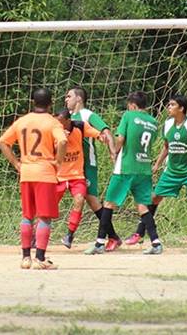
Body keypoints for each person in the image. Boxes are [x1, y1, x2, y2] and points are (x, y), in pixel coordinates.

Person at [126, 94, 187, 245]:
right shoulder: (167, 125)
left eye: (172, 105)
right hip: (171, 172)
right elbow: (166, 147)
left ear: (181, 108)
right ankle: (139, 233)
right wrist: (157, 164)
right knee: (153, 198)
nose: (168, 107)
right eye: (169, 104)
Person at [84, 91, 163, 255]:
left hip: (125, 167)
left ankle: (99, 243)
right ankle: (156, 243)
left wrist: (114, 151)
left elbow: (120, 139)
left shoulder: (129, 116)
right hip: (144, 168)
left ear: (132, 105)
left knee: (108, 203)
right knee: (142, 205)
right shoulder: (154, 122)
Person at [0, 88, 67, 270]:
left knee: (27, 216)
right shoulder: (52, 122)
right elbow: (62, 142)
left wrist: (16, 163)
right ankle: (40, 258)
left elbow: (3, 142)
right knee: (44, 217)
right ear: (50, 103)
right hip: (45, 173)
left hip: (26, 173)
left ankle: (25, 258)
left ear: (33, 102)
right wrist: (58, 161)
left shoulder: (22, 121)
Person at [65, 87, 122, 251]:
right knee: (90, 201)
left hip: (87, 164)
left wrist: (113, 153)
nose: (66, 99)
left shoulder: (87, 115)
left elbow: (106, 132)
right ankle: (113, 236)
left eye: (69, 96)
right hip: (70, 165)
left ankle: (112, 236)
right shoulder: (67, 117)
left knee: (91, 199)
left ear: (79, 99)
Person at [54, 109, 114, 248]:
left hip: (77, 175)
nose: (58, 125)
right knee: (48, 206)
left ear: (68, 121)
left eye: (61, 123)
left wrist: (101, 137)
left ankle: (69, 235)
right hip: (59, 176)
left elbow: (96, 133)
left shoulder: (80, 126)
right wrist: (59, 141)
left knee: (80, 200)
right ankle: (34, 234)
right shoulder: (54, 131)